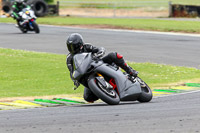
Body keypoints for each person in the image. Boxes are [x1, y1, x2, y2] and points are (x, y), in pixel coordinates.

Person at [66, 33, 138, 102]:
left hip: (97, 64)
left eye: (74, 46)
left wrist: (100, 52)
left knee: (113, 55)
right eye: (70, 47)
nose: (73, 49)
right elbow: (71, 71)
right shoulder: (69, 58)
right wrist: (75, 79)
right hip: (87, 74)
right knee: (88, 97)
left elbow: (98, 49)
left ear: (80, 44)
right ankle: (104, 91)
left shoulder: (86, 46)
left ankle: (129, 70)